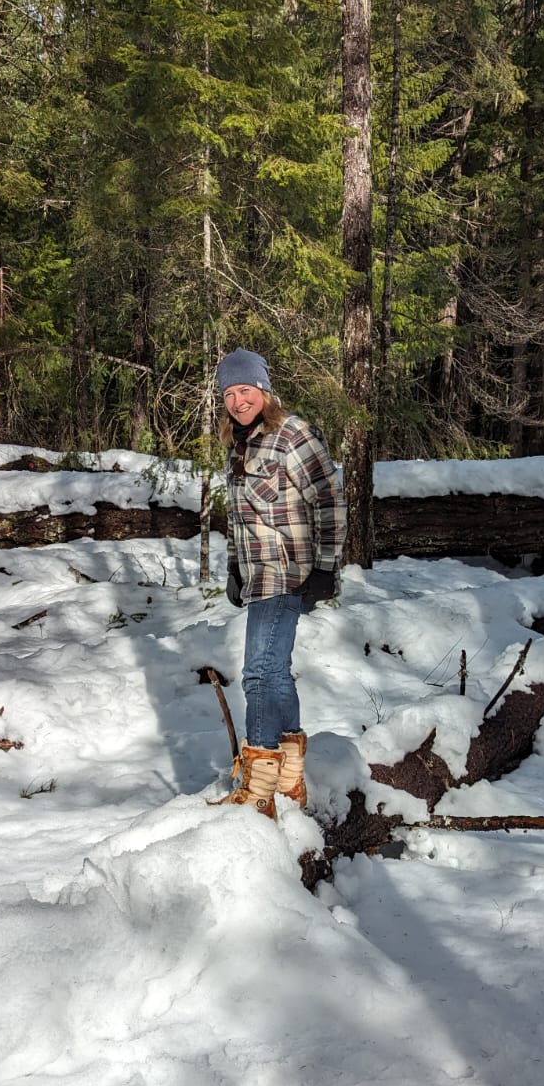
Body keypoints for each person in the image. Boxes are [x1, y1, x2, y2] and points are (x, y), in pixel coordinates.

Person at [216, 347, 345, 817]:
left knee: (257, 674)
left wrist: (328, 567)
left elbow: (329, 500)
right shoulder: (238, 443)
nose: (237, 400)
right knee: (274, 673)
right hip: (258, 577)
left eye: (245, 390)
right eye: (229, 393)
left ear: (264, 391)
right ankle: (290, 782)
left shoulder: (294, 435)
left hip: (290, 574)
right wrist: (233, 566)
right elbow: (237, 518)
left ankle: (259, 788)